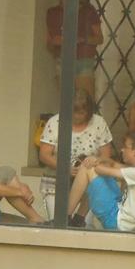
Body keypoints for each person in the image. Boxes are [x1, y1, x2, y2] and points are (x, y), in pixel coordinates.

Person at [37, 88, 113, 220]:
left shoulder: (99, 123)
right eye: (74, 112)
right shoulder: (55, 122)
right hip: (56, 182)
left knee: (83, 224)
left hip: (88, 185)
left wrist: (93, 161)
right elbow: (44, 155)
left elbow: (106, 157)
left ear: (89, 111)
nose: (77, 116)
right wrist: (64, 168)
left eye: (82, 113)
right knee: (58, 222)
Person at [65, 129, 135, 232]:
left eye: (126, 147)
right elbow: (113, 164)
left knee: (87, 168)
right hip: (120, 212)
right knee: (94, 170)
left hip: (118, 223)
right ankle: (78, 220)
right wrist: (99, 159)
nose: (122, 150)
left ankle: (64, 218)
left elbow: (100, 170)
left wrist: (91, 161)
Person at [45, 0, 104, 100]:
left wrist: (82, 40)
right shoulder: (53, 12)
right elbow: (49, 41)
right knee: (66, 102)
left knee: (85, 100)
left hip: (83, 60)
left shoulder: (87, 10)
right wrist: (58, 45)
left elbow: (99, 38)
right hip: (63, 60)